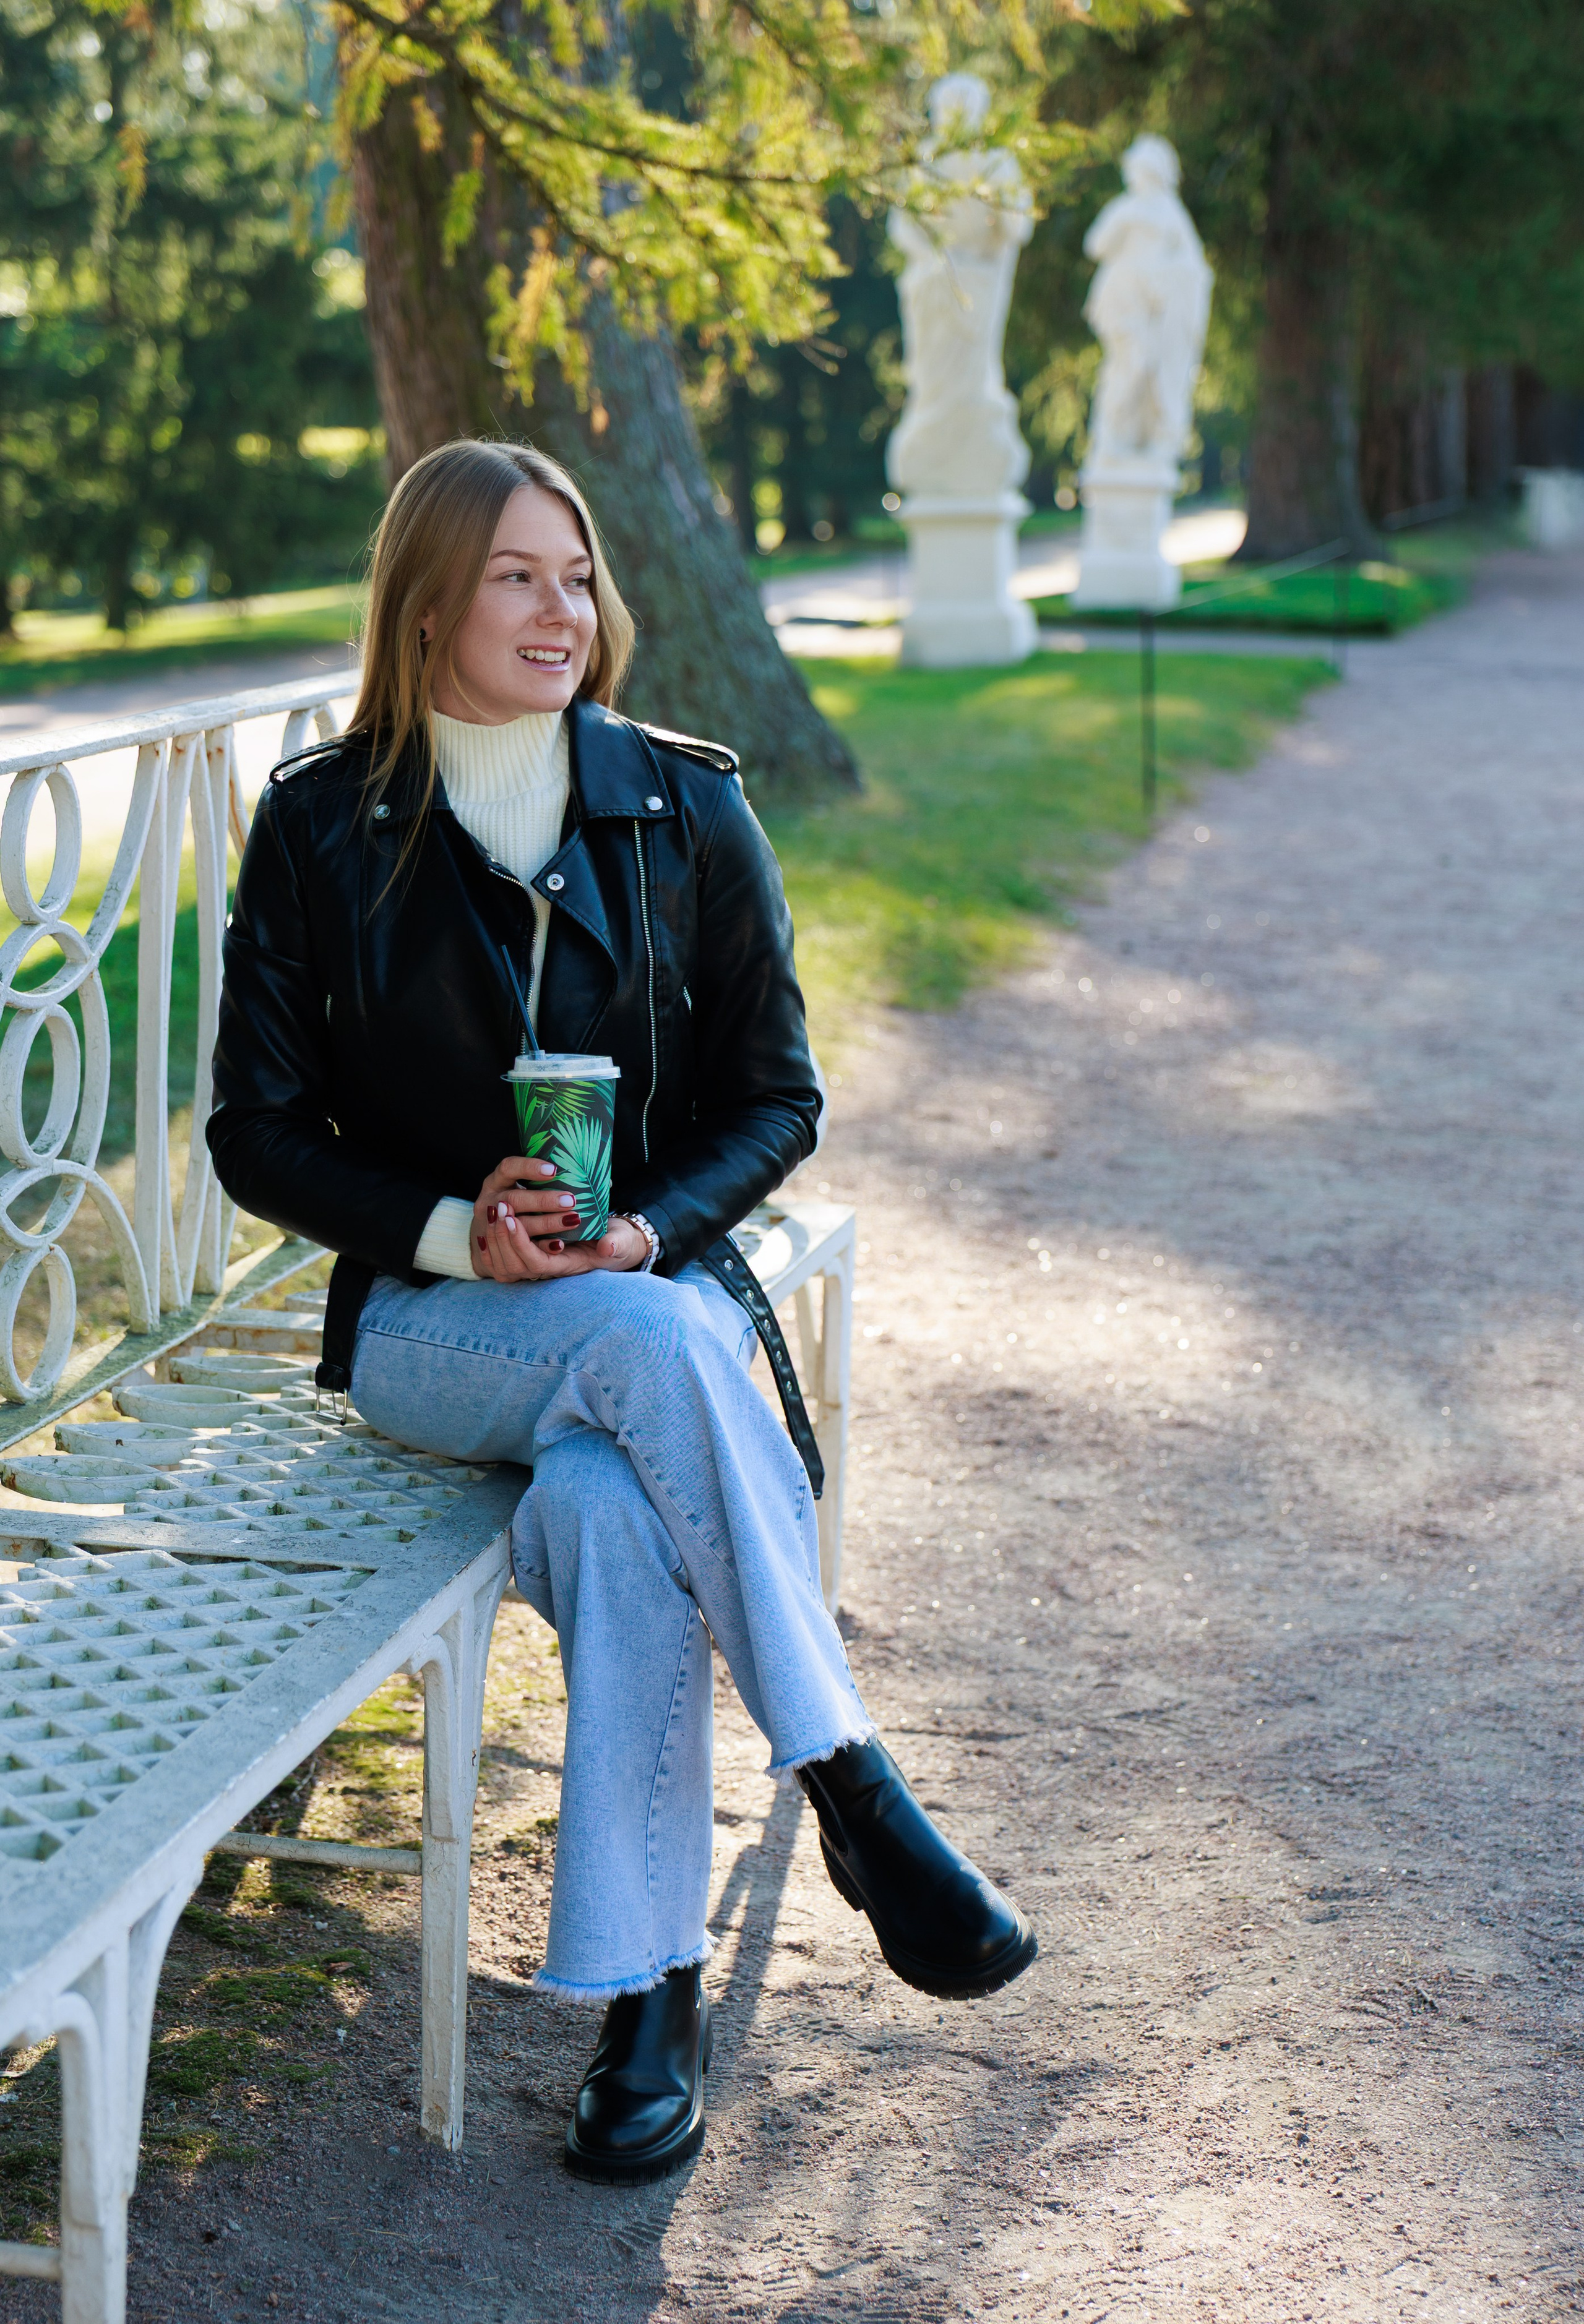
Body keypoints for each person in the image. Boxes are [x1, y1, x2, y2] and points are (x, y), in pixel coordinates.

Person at [207, 437, 1036, 2186]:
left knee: (610, 1503)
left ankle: (646, 2006)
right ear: (424, 604)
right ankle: (855, 1791)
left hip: (644, 1303)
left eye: (576, 575)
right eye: (514, 576)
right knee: (651, 1352)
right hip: (430, 1331)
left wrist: (649, 1227)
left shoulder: (685, 807)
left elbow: (779, 1097)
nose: (560, 610)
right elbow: (254, 1134)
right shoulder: (321, 825)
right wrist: (457, 1230)